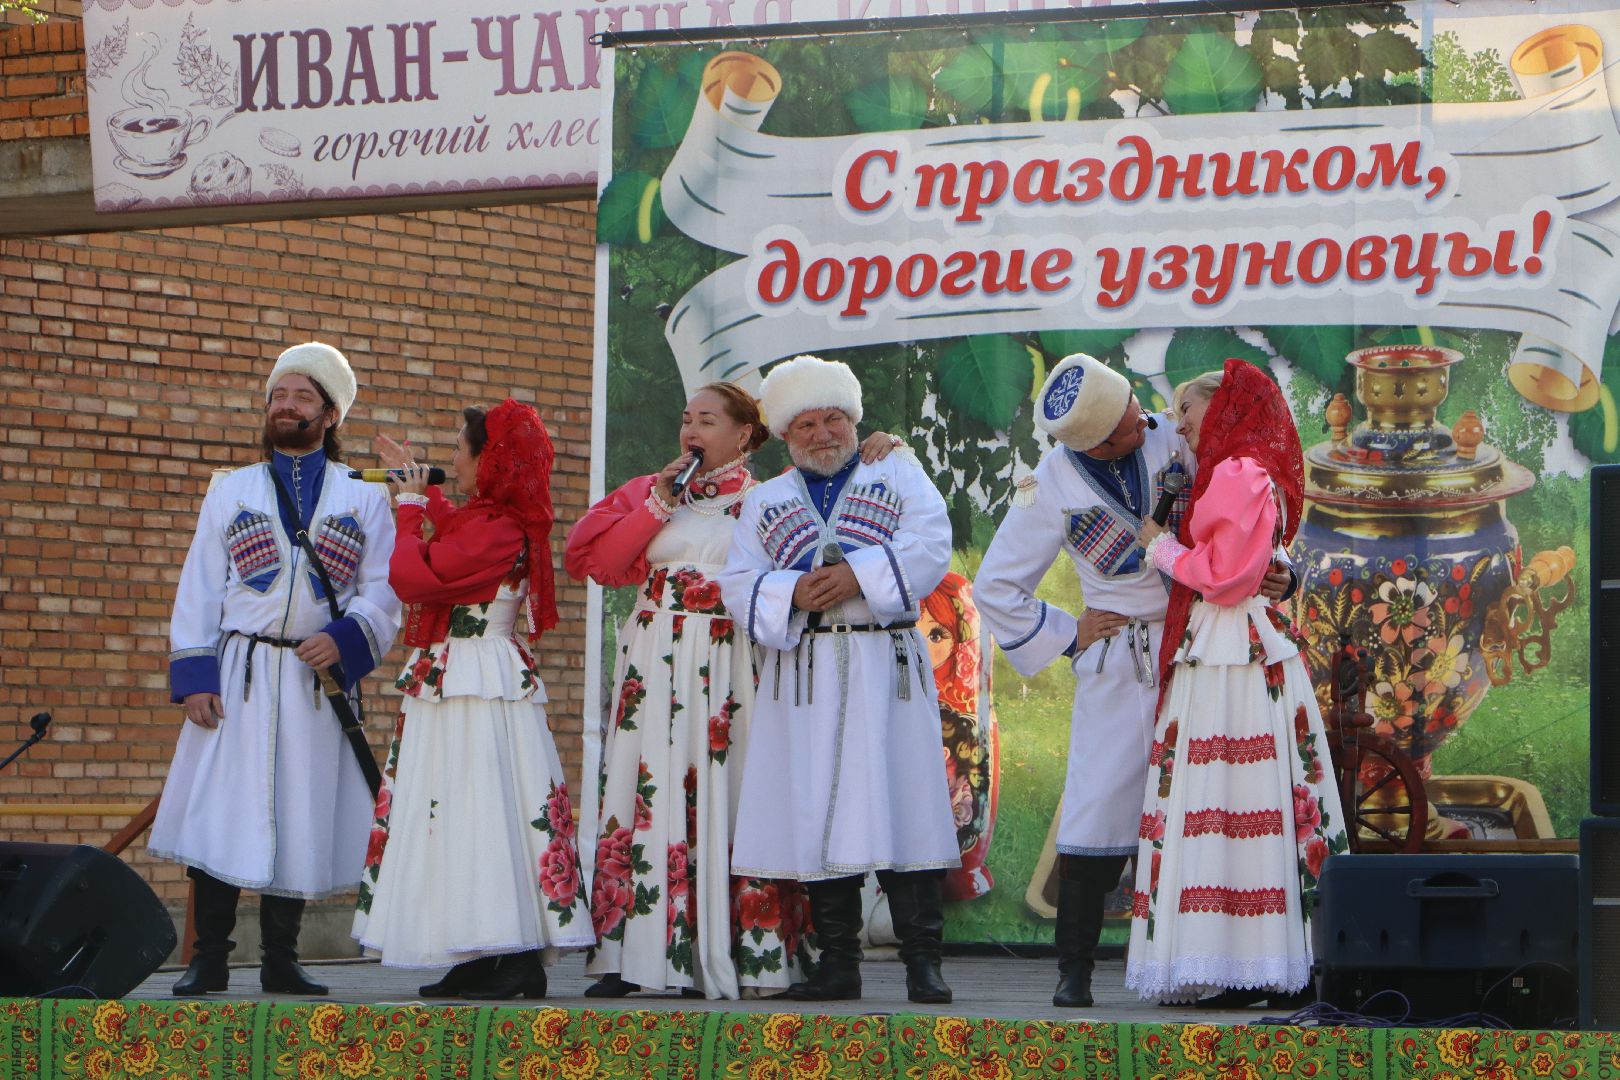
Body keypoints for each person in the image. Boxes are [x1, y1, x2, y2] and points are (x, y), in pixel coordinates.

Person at [564, 382, 900, 1000]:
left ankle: (737, 949)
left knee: (735, 792)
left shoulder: (772, 498)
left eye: (708, 421)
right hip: (656, 660)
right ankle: (635, 955)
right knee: (649, 787)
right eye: (686, 419)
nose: (692, 431)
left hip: (731, 659)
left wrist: (887, 449)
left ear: (744, 434)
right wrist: (658, 505)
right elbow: (596, 560)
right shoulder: (654, 490)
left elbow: (831, 541)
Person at [973, 352, 1290, 1008]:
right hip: (1121, 656)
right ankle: (1075, 971)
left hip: (1202, 644)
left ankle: (1215, 963)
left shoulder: (1176, 434)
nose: (1137, 432)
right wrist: (1068, 634)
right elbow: (997, 586)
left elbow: (1244, 521)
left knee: (1207, 798)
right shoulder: (1052, 484)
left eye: (1132, 417)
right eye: (1118, 433)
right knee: (1096, 804)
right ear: (1081, 443)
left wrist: (1283, 568)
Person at [151, 342, 401, 996]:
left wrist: (347, 638)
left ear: (330, 414)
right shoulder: (231, 489)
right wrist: (196, 676)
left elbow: (385, 585)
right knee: (222, 813)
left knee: (299, 812)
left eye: (301, 396)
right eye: (278, 395)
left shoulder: (365, 494)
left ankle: (281, 960)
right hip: (240, 672)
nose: (285, 405)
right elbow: (200, 586)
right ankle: (207, 959)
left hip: (314, 684)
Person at [718, 354, 960, 1005]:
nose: (822, 434)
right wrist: (793, 590)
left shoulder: (896, 469)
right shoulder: (765, 502)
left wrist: (860, 575)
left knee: (904, 804)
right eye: (805, 426)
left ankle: (922, 963)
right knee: (818, 809)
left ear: (852, 421)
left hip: (886, 663)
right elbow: (738, 584)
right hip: (809, 671)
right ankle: (839, 965)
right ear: (787, 436)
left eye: (833, 420)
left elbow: (933, 541)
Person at [352, 399, 594, 999]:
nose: (453, 459)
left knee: (484, 810)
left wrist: (409, 512)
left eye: (462, 448)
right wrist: (423, 493)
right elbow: (457, 532)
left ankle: (511, 952)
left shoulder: (502, 527)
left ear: (492, 459)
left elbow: (417, 577)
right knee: (455, 809)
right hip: (460, 678)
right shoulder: (493, 518)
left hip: (475, 680)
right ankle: (475, 949)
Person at [1128, 360, 1348, 1005]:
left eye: (1188, 413)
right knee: (1244, 796)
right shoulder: (1250, 470)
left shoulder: (1236, 470)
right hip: (1239, 644)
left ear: (1219, 408)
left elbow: (1226, 576)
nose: (1181, 426)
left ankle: (1243, 958)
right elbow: (1255, 562)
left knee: (1228, 793)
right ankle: (1245, 960)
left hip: (1233, 649)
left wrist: (1158, 545)